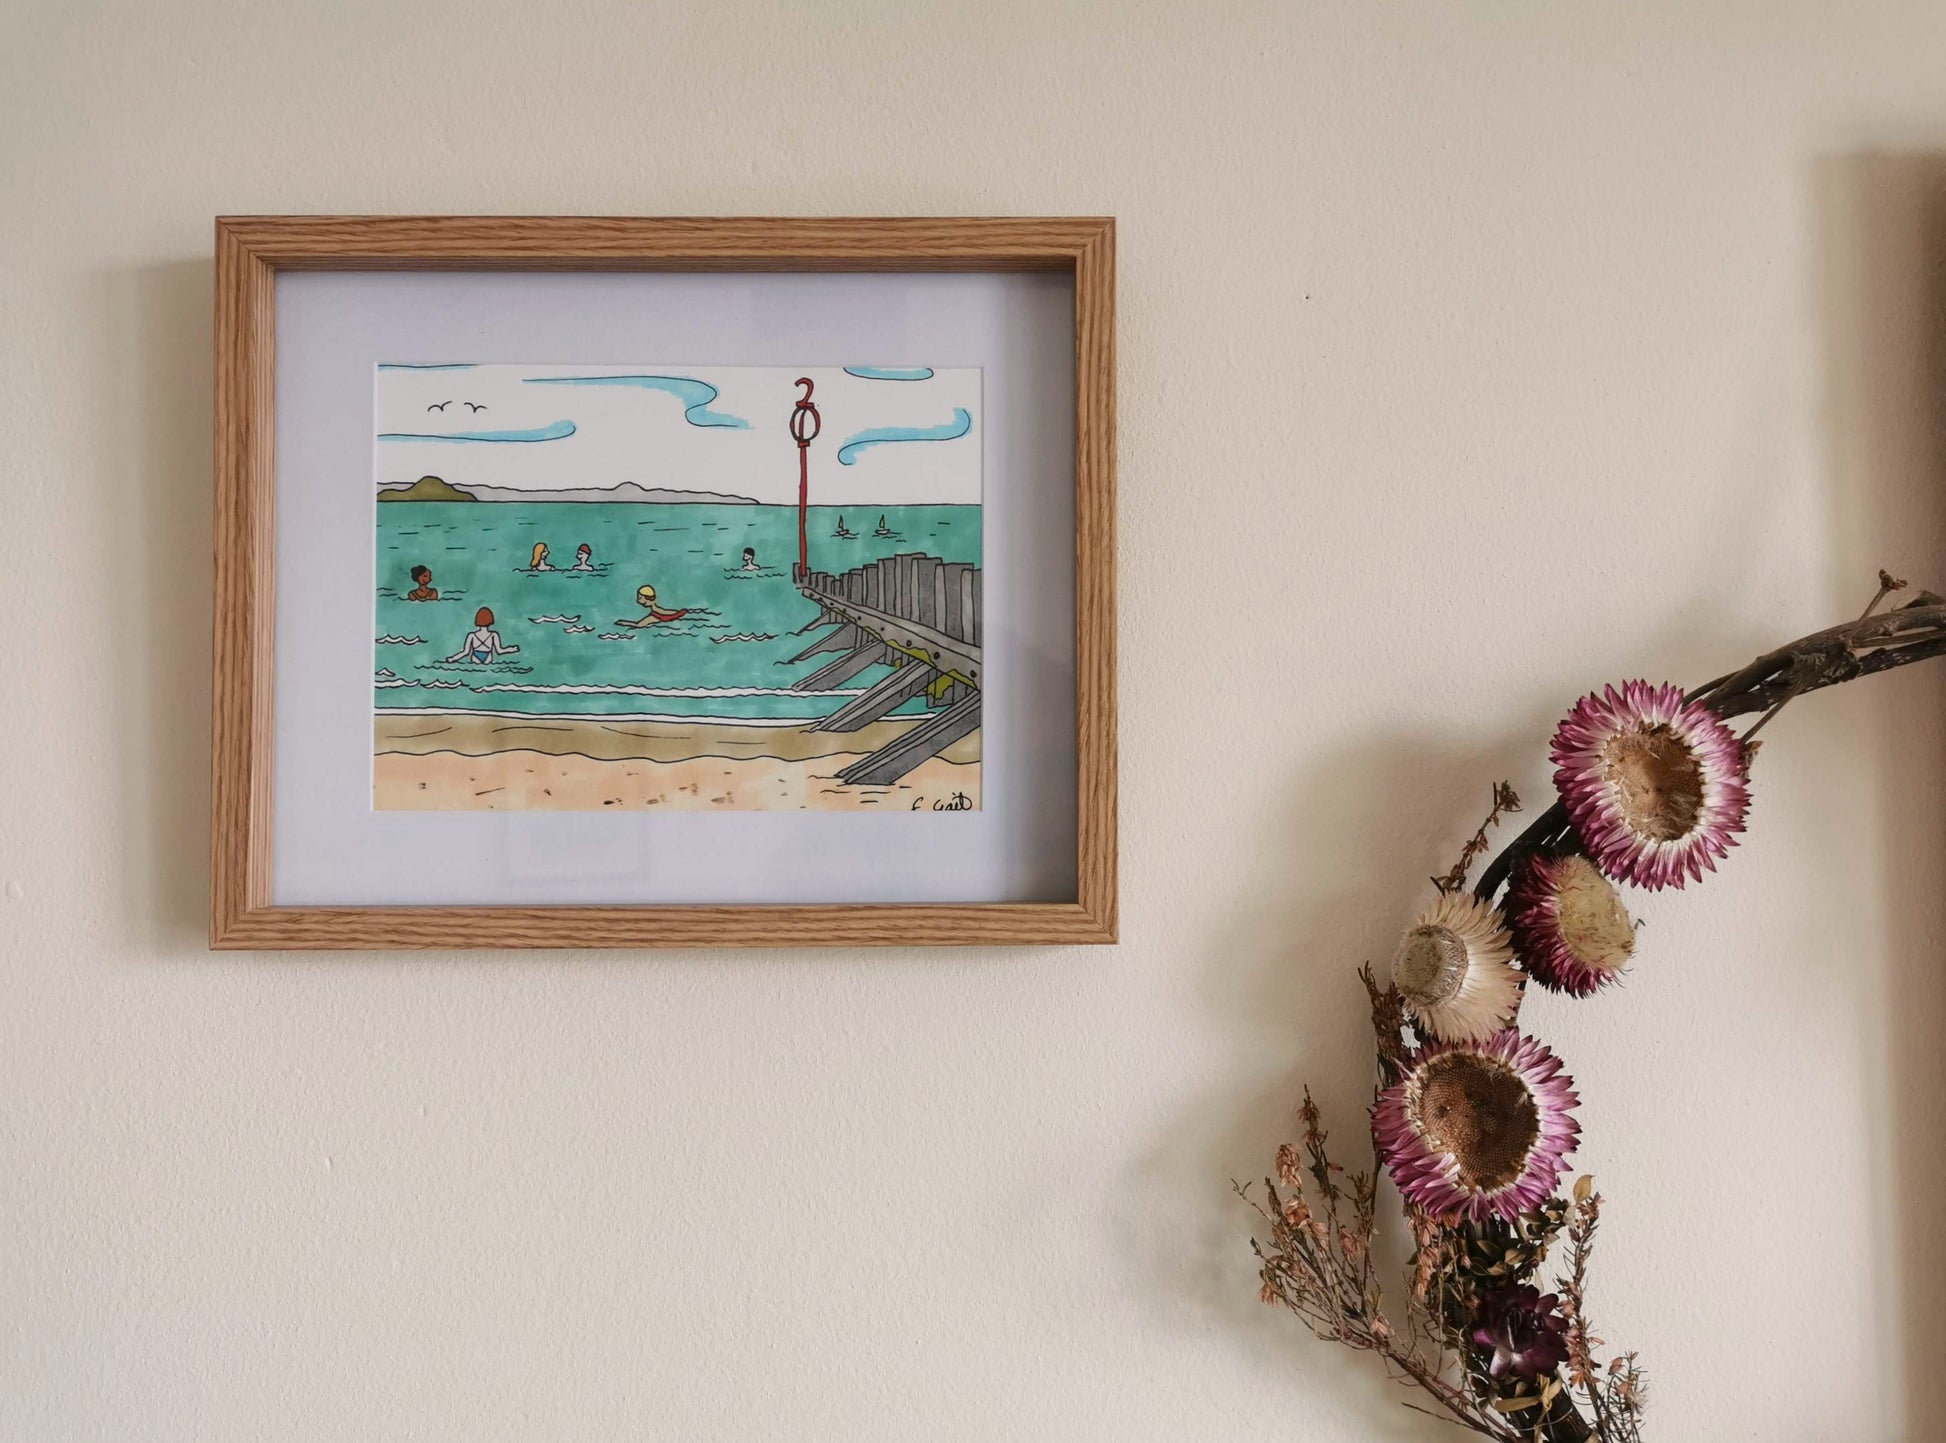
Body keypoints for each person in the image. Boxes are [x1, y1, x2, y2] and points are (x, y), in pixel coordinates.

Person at [447, 607, 520, 662]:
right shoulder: (494, 635)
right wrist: (512, 649)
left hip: (475, 657)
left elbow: (465, 652)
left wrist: (452, 659)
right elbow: (500, 651)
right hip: (488, 656)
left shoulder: (471, 635)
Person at [614, 583, 691, 628]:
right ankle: (623, 622)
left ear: (647, 598)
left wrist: (678, 613)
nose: (638, 600)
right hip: (657, 616)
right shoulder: (656, 610)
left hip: (656, 616)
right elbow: (667, 612)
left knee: (638, 624)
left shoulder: (656, 610)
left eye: (640, 598)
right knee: (638, 624)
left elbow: (665, 612)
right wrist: (678, 613)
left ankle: (623, 623)